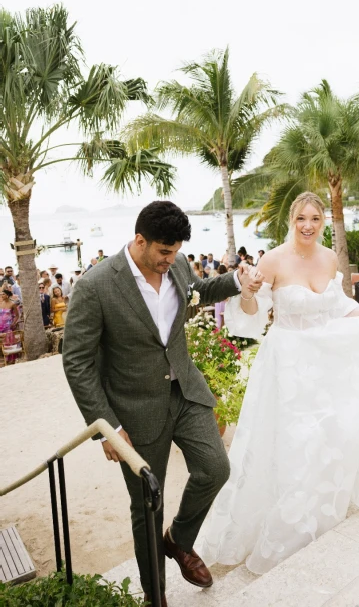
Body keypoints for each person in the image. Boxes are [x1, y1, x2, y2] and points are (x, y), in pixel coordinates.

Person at [197, 191, 359, 575]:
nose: (308, 226)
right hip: (287, 363)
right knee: (290, 442)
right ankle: (284, 528)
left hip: (327, 361)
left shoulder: (329, 257)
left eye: (315, 220)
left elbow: (337, 306)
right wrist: (249, 292)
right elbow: (251, 318)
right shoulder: (272, 259)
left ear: (323, 222)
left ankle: (318, 518)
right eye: (302, 218)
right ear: (291, 220)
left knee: (327, 438)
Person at [62, 200, 261, 606]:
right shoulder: (95, 286)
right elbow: (77, 362)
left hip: (186, 391)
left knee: (215, 468)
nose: (171, 261)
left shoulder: (178, 264)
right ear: (140, 240)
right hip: (134, 413)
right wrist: (109, 428)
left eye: (175, 252)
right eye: (164, 253)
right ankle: (157, 595)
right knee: (148, 507)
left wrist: (237, 282)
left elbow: (199, 292)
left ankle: (180, 539)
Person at [0, 286, 21, 364]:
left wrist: (13, 323)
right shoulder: (1, 303)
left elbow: (17, 315)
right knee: (3, 342)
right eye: (1, 294)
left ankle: (11, 358)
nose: (2, 296)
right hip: (1, 325)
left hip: (8, 325)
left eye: (3, 294)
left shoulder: (12, 304)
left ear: (8, 295)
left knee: (9, 341)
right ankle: (5, 357)